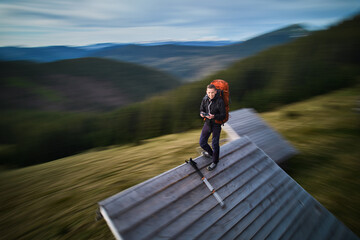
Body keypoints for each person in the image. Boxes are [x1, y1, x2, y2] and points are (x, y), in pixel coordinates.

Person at [199, 84, 226, 171]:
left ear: (215, 92)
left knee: (214, 143)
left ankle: (215, 161)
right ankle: (211, 154)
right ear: (206, 92)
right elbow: (201, 109)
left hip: (216, 124)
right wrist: (202, 113)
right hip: (207, 123)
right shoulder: (205, 99)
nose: (210, 94)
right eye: (209, 93)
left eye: (212, 93)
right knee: (202, 142)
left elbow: (223, 115)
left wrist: (213, 116)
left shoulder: (220, 101)